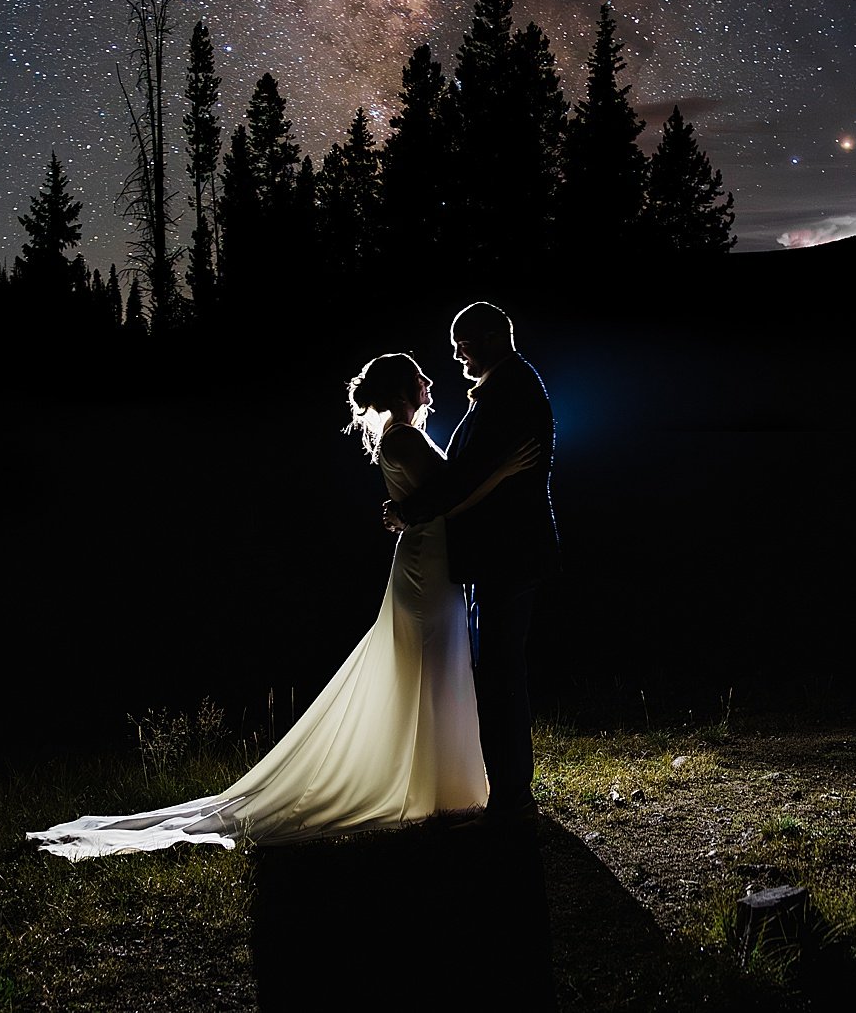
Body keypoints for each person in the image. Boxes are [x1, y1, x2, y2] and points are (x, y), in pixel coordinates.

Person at [29, 352, 534, 857]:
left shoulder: (402, 437)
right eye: (418, 376)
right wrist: (501, 472)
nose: (429, 380)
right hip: (427, 563)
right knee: (432, 663)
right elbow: (449, 495)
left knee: (436, 665)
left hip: (430, 558)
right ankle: (439, 786)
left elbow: (437, 495)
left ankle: (443, 783)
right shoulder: (404, 438)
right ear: (403, 390)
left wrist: (415, 506)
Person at [383, 301, 557, 817]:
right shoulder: (506, 388)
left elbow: (469, 474)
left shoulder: (512, 391)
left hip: (510, 553)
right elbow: (470, 472)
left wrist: (408, 512)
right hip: (497, 554)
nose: (456, 356)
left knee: (501, 671)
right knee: (497, 670)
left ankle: (511, 793)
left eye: (462, 344)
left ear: (487, 338)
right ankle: (506, 788)